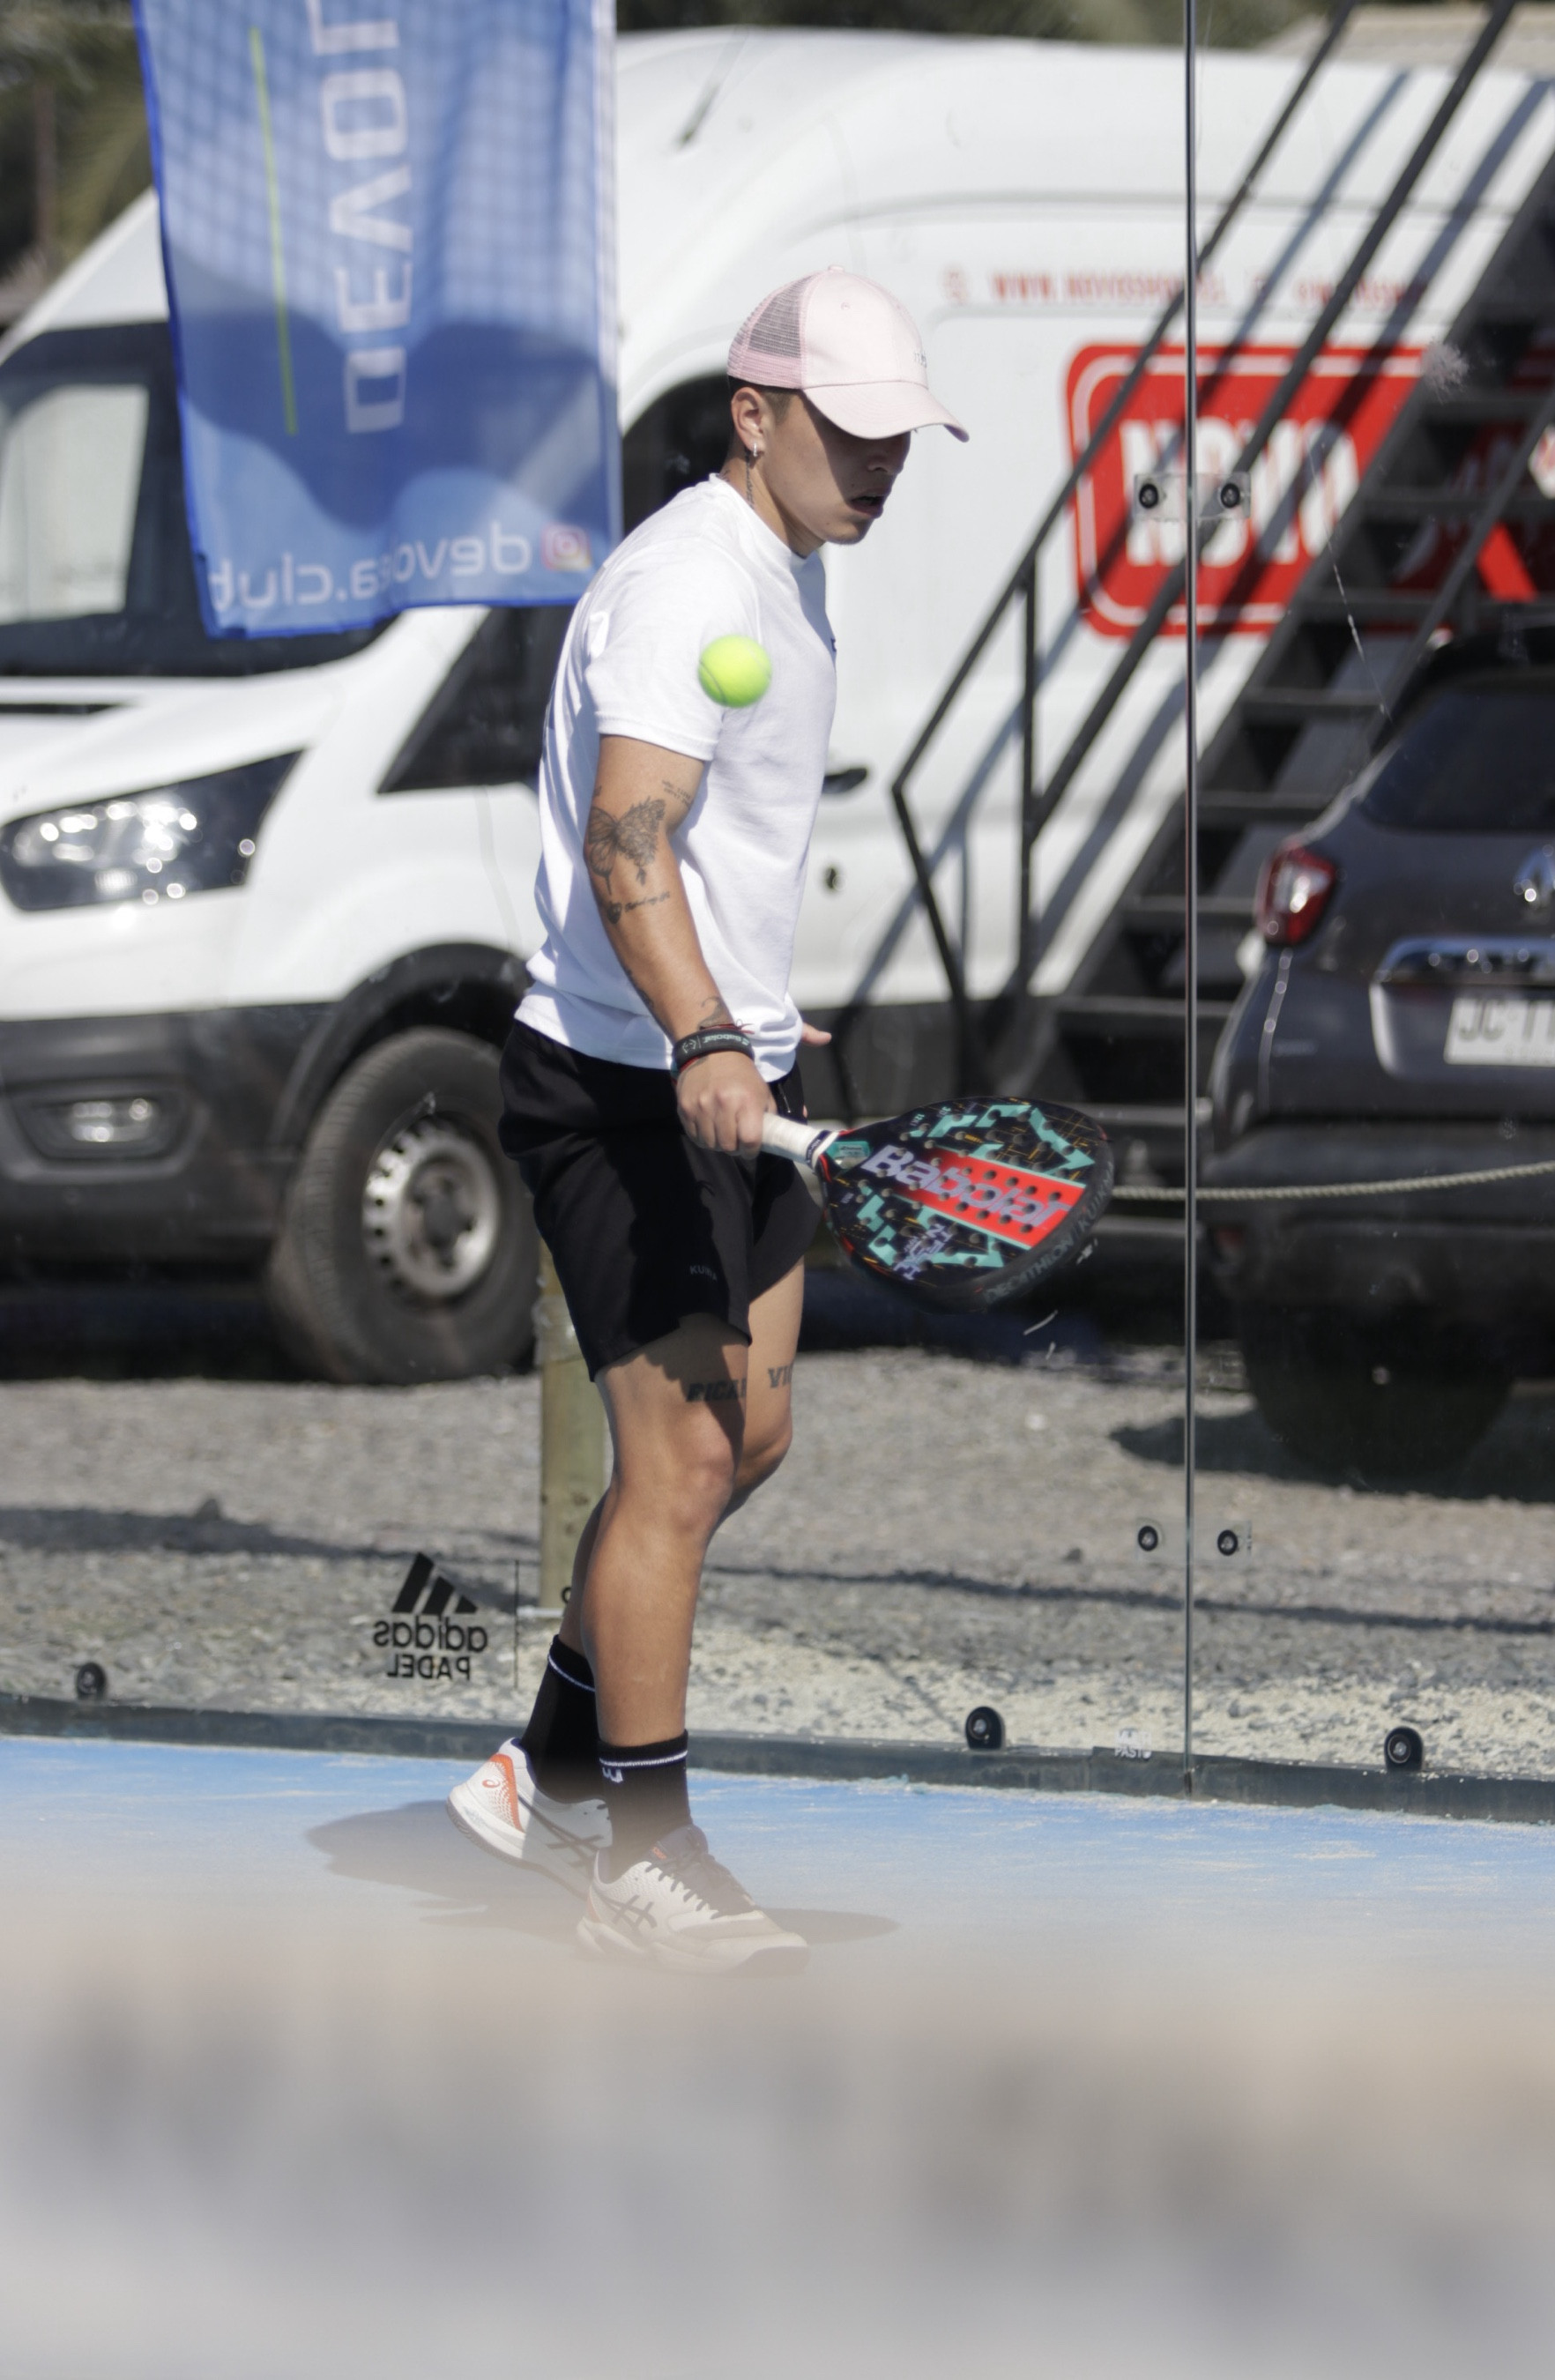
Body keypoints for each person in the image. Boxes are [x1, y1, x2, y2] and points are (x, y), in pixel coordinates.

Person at [448, 267, 966, 1974]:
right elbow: (628, 842)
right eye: (851, 433)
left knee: (748, 1440)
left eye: (900, 437)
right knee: (673, 1459)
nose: (880, 466)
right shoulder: (686, 586)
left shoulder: (789, 566)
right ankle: (644, 1856)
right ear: (755, 415)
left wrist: (747, 1018)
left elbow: (710, 850)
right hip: (622, 1088)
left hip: (733, 1065)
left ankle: (547, 1769)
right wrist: (698, 1033)